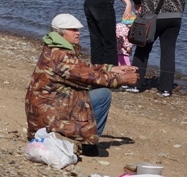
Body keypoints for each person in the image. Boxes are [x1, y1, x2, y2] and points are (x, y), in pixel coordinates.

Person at [25, 13, 139, 157]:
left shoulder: (54, 48)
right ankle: (88, 144)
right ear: (61, 32)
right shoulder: (61, 55)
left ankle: (84, 137)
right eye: (73, 30)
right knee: (103, 94)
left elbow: (82, 69)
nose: (78, 33)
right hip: (47, 118)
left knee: (91, 91)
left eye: (78, 30)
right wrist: (123, 79)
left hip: (43, 111)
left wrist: (112, 69)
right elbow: (91, 77)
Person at [127, 0, 187, 97]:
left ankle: (135, 84)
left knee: (143, 48)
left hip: (152, 16)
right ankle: (166, 89)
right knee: (168, 52)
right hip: (174, 17)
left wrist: (137, 4)